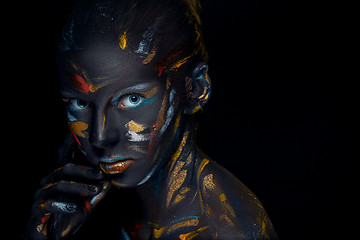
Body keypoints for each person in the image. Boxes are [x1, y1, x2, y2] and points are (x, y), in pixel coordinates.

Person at [26, 0, 278, 239]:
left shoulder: (225, 230)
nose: (99, 136)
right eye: (79, 104)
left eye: (132, 99)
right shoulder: (85, 198)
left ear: (195, 89)